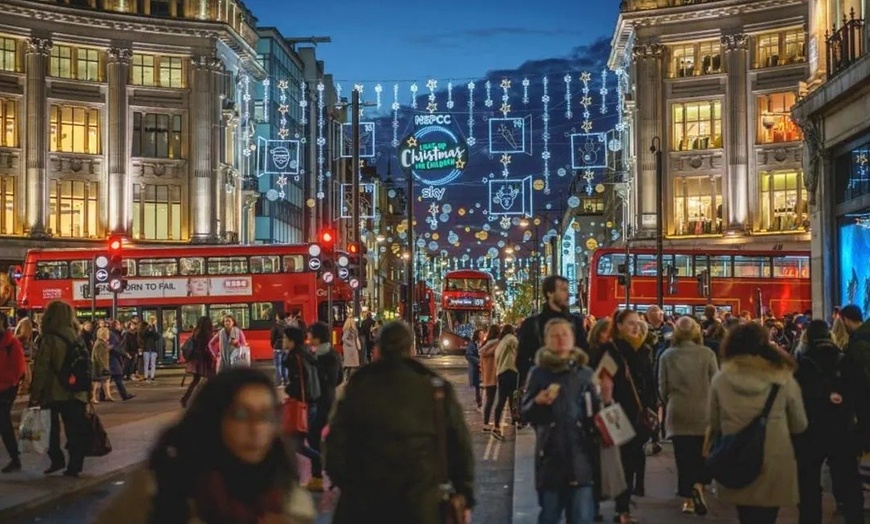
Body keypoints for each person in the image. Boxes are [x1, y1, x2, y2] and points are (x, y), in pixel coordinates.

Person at [94, 368, 316, 524]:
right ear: (214, 418)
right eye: (241, 414)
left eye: (266, 415)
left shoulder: (291, 501)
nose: (256, 428)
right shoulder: (155, 490)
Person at [325, 321, 475, 523]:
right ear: (411, 348)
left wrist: (350, 484)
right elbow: (460, 446)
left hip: (364, 504)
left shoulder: (359, 386)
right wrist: (464, 494)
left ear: (377, 349)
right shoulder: (435, 388)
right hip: (421, 503)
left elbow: (334, 444)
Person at [709, 322, 808, 524]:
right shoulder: (782, 378)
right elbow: (800, 423)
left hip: (735, 456)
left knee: (745, 514)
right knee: (767, 516)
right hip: (774, 458)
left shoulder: (721, 379)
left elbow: (713, 421)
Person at [522, 317, 603, 524]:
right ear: (546, 340)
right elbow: (526, 413)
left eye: (564, 334)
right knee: (549, 516)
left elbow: (595, 411)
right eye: (554, 336)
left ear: (573, 339)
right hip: (550, 458)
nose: (560, 340)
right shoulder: (538, 373)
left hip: (581, 458)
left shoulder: (585, 374)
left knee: (582, 517)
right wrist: (538, 402)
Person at [793, 320, 866, 524]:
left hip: (810, 430)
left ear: (806, 337)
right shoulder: (845, 359)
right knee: (848, 482)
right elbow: (860, 396)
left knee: (808, 487)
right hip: (841, 429)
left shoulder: (801, 365)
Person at [658, 316, 718, 515]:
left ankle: (687, 499)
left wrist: (670, 402)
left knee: (682, 457)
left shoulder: (667, 355)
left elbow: (662, 388)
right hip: (703, 410)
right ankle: (699, 486)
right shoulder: (707, 354)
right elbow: (715, 382)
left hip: (678, 411)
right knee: (702, 453)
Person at [29, 300, 90, 477]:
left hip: (54, 391)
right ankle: (75, 465)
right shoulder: (77, 337)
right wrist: (88, 390)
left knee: (49, 429)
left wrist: (35, 393)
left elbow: (41, 368)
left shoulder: (49, 339)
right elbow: (86, 366)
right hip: (76, 391)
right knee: (74, 429)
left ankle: (56, 459)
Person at [605, 309, 656, 523]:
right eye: (631, 323)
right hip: (617, 411)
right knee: (623, 461)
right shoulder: (612, 351)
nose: (636, 327)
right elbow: (603, 383)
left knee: (633, 458)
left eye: (638, 323)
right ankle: (622, 508)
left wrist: (652, 407)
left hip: (638, 412)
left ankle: (624, 504)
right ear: (619, 325)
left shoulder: (644, 350)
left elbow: (649, 381)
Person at [517, 275, 588, 388]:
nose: (567, 294)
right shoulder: (532, 324)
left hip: (572, 384)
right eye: (563, 289)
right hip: (543, 386)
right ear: (549, 293)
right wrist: (532, 381)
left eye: (567, 289)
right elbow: (522, 358)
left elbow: (584, 351)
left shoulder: (576, 322)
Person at [306, 322, 341, 492]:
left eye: (311, 335)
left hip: (323, 401)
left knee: (314, 437)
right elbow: (339, 379)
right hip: (323, 400)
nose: (309, 338)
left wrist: (316, 369)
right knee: (322, 438)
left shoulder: (326, 356)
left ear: (318, 337)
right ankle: (329, 474)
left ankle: (319, 475)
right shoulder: (325, 353)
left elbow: (332, 379)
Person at [0, 311, 26, 473]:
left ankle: (15, 459)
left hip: (6, 388)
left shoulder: (12, 343)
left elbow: (18, 368)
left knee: (4, 422)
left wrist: (7, 381)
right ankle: (15, 458)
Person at [181, 316, 218, 408]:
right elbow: (208, 347)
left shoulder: (196, 332)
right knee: (212, 379)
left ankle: (185, 398)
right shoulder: (207, 334)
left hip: (196, 360)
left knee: (195, 380)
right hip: (205, 360)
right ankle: (209, 400)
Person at [492, 324, 519, 440]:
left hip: (501, 373)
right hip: (510, 371)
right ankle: (515, 419)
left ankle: (497, 425)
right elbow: (519, 350)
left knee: (502, 400)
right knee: (514, 397)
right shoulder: (512, 339)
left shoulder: (500, 343)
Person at [480, 325, 501, 433]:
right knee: (500, 401)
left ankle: (486, 423)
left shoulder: (484, 345)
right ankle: (497, 424)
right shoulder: (498, 344)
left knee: (489, 401)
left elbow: (481, 363)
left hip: (487, 376)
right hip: (497, 374)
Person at [90, 327, 113, 403]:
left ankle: (107, 395)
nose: (109, 335)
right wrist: (103, 366)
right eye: (107, 333)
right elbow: (98, 356)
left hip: (103, 365)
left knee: (106, 380)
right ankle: (92, 397)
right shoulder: (99, 343)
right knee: (95, 382)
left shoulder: (102, 343)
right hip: (98, 366)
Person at [465, 329, 484, 410]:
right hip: (476, 369)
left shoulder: (484, 344)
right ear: (477, 335)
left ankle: (482, 402)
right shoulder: (472, 344)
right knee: (478, 387)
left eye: (483, 334)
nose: (483, 335)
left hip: (484, 369)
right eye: (481, 334)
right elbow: (468, 355)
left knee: (484, 387)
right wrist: (478, 361)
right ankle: (479, 403)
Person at [270, 313, 288, 387]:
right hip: (286, 347)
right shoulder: (287, 326)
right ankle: (286, 381)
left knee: (278, 365)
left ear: (278, 317)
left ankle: (279, 381)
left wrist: (273, 345)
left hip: (278, 347)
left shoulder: (276, 326)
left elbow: (272, 337)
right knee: (285, 365)